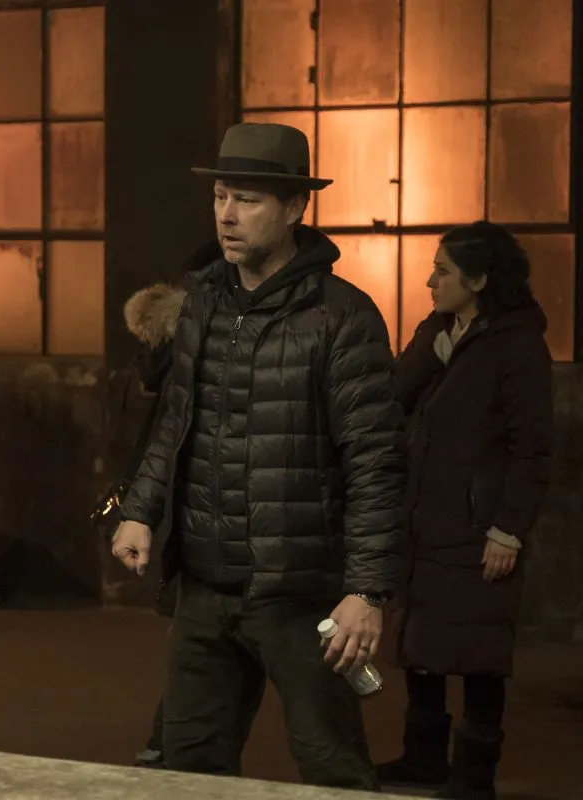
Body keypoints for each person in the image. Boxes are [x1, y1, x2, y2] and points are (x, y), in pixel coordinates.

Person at [109, 122, 408, 790]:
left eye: (246, 200)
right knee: (188, 767)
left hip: (299, 590)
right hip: (205, 584)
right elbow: (176, 422)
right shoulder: (202, 304)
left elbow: (376, 463)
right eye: (220, 196)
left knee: (331, 768)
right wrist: (140, 510)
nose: (226, 215)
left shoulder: (341, 317)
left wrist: (366, 590)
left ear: (296, 207)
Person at [376, 222, 552, 800]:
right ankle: (424, 758)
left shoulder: (518, 346)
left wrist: (508, 529)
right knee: (422, 640)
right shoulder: (439, 330)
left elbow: (533, 448)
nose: (430, 282)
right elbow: (395, 395)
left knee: (480, 650)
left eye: (443, 271)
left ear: (478, 280)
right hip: (428, 514)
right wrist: (432, 350)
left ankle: (474, 776)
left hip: (480, 523)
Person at [109, 239, 223, 769]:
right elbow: (172, 427)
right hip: (195, 499)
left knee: (200, 642)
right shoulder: (196, 332)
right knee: (198, 640)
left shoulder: (181, 333)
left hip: (195, 502)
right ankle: (170, 742)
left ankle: (169, 742)